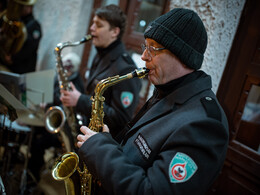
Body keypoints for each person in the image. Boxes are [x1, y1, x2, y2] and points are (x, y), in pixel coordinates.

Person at [77, 8, 229, 195]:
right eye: (145, 46)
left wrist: (99, 149)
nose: (144, 56)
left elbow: (151, 190)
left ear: (182, 54)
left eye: (154, 48)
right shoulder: (167, 90)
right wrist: (108, 142)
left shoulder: (206, 125)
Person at [60, 4, 141, 138]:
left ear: (114, 32)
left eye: (98, 25)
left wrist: (80, 100)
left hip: (103, 144)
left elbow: (121, 118)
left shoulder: (126, 68)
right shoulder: (101, 55)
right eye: (93, 23)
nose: (91, 28)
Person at [28, 52, 85, 184]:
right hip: (51, 120)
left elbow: (66, 108)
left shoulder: (76, 85)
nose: (65, 71)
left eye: (68, 68)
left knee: (38, 143)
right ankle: (32, 166)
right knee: (32, 132)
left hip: (64, 130)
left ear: (73, 69)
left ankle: (34, 176)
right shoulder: (58, 78)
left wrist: (48, 104)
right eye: (63, 68)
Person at [0, 0, 41, 74]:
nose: (17, 8)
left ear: (29, 7)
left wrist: (12, 58)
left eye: (21, 6)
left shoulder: (34, 25)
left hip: (20, 70)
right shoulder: (15, 21)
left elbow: (29, 48)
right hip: (7, 65)